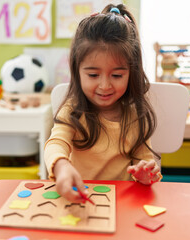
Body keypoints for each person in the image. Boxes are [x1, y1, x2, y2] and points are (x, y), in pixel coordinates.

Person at [44, 4, 162, 203]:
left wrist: (145, 174)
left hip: (121, 203)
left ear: (131, 72)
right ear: (76, 70)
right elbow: (56, 143)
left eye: (117, 75)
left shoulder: (135, 116)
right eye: (93, 74)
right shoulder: (72, 110)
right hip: (79, 198)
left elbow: (145, 163)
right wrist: (61, 166)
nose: (105, 85)